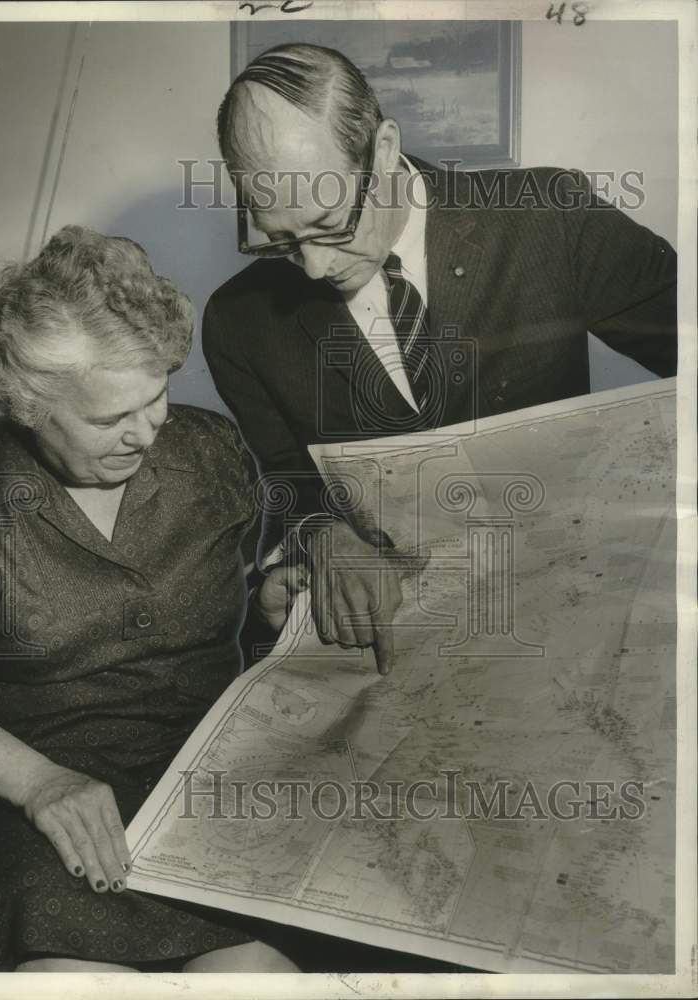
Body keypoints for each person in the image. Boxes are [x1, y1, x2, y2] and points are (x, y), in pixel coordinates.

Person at [202, 42, 678, 676]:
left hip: (577, 620)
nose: (314, 267)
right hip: (406, 647)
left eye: (332, 225)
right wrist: (321, 533)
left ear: (386, 148)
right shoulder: (239, 323)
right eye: (281, 241)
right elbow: (290, 475)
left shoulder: (548, 217)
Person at [0, 225, 304, 973]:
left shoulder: (211, 449)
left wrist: (272, 603)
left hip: (203, 792)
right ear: (31, 409)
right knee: (72, 977)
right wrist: (37, 783)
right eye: (109, 419)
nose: (145, 433)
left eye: (157, 396)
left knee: (258, 977)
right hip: (40, 804)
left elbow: (252, 590)